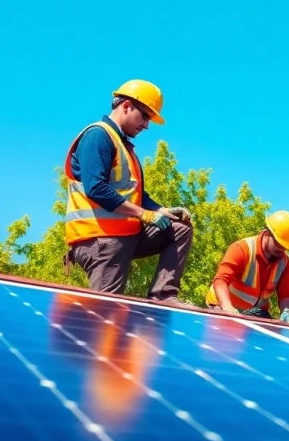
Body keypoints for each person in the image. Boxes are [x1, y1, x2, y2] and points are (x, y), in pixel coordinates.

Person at [63, 79, 193, 304]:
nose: (146, 126)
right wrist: (143, 214)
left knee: (179, 230)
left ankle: (163, 296)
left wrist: (160, 210)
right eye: (145, 116)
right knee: (103, 313)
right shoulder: (98, 135)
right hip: (100, 239)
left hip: (125, 234)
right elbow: (96, 188)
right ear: (126, 106)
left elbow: (137, 196)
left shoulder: (125, 147)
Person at [204, 210, 289, 322]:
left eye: (285, 246)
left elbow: (286, 294)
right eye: (278, 243)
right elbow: (220, 280)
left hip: (256, 312)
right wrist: (227, 307)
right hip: (222, 306)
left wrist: (286, 312)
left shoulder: (285, 263)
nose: (282, 249)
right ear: (267, 234)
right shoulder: (241, 249)